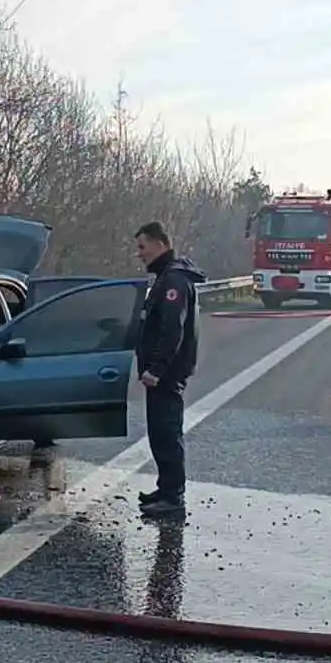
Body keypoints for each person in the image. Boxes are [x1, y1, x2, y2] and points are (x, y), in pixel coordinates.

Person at [132, 221, 206, 516]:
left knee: (167, 432)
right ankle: (166, 489)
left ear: (160, 244)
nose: (140, 254)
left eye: (142, 246)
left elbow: (172, 330)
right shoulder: (166, 277)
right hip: (163, 373)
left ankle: (173, 497)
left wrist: (156, 369)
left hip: (167, 373)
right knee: (160, 433)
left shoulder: (173, 281)